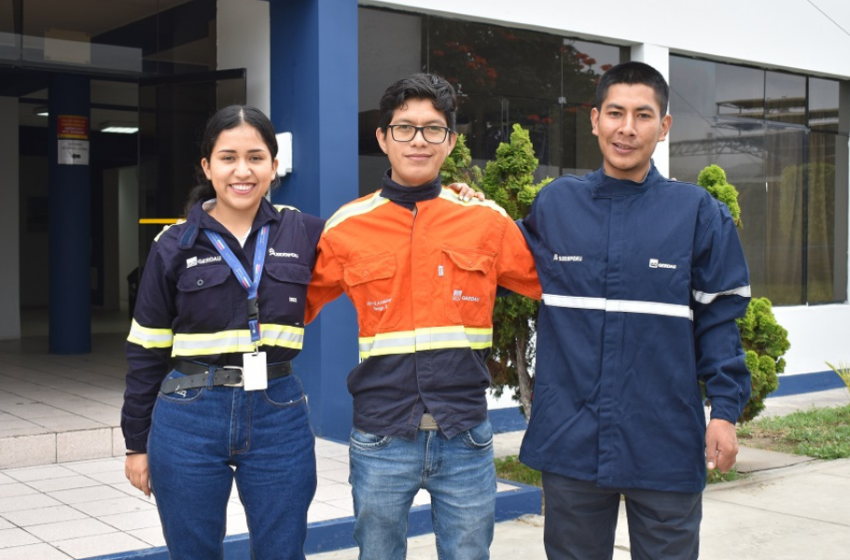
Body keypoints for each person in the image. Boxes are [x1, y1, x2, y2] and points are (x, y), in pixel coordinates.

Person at [518, 61, 752, 560]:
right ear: (595, 119)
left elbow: (720, 324)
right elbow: (493, 257)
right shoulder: (555, 205)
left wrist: (725, 412)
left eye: (643, 115)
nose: (627, 128)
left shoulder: (697, 213)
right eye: (616, 113)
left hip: (665, 441)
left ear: (664, 126)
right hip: (570, 440)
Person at [305, 73, 541, 560]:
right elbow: (292, 310)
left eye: (433, 129)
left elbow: (553, 285)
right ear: (382, 138)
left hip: (467, 436)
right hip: (381, 436)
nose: (418, 140)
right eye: (404, 128)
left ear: (451, 141)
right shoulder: (346, 227)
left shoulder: (486, 221)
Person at [122, 105, 323, 560]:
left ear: (274, 165)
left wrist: (453, 196)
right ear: (207, 166)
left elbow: (376, 233)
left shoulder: (305, 231)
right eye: (228, 157)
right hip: (189, 414)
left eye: (255, 157)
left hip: (279, 410)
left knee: (283, 551)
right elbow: (146, 351)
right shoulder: (174, 243)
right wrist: (137, 444)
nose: (242, 170)